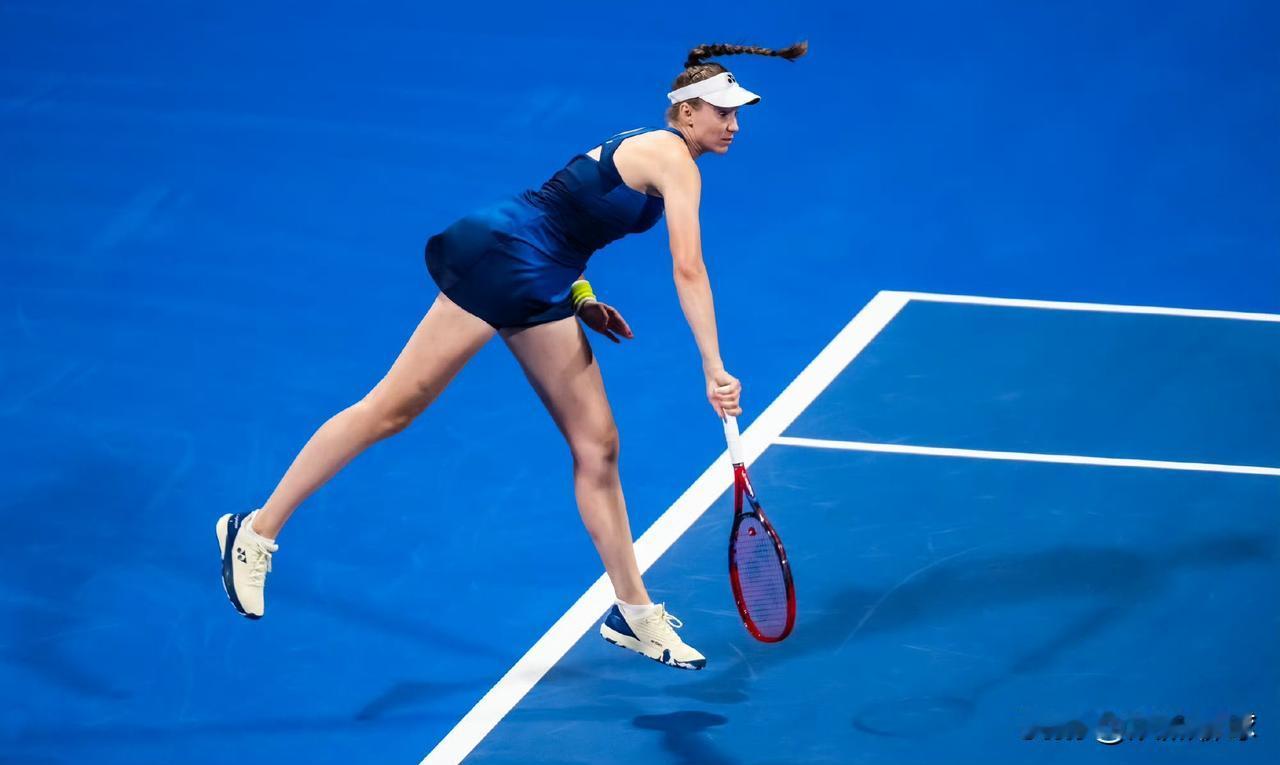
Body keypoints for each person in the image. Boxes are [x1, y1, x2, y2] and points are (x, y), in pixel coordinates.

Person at [216, 40, 808, 670]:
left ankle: (634, 614)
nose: (734, 125)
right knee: (391, 410)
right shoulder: (675, 161)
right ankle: (254, 532)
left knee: (598, 446)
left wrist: (582, 298)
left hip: (545, 276)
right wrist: (713, 366)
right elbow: (686, 267)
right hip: (505, 257)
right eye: (723, 113)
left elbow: (571, 216)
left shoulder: (654, 149)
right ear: (687, 112)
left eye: (738, 113)